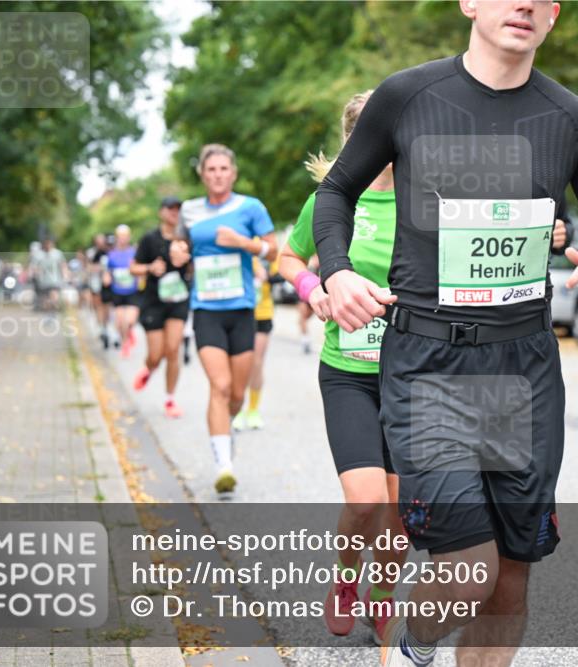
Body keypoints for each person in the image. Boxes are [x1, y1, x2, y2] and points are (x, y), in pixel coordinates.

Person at [312, 2, 578, 665]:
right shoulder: (408, 96)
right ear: (469, 2)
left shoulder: (572, 119)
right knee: (470, 563)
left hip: (524, 365)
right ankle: (412, 642)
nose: (522, 5)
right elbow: (336, 193)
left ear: (553, 14)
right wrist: (337, 272)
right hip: (427, 358)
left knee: (512, 571)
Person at [279, 90, 408, 644]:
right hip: (348, 371)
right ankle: (346, 581)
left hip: (413, 374)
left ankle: (382, 598)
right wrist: (315, 289)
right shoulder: (331, 201)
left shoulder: (430, 199)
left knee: (402, 523)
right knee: (365, 500)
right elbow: (288, 257)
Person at [169, 144, 278, 495]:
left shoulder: (250, 208)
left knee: (235, 394)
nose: (217, 175)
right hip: (206, 311)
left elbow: (274, 250)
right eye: (210, 169)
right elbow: (180, 246)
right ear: (202, 174)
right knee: (218, 385)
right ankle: (223, 465)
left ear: (233, 173)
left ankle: (224, 430)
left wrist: (244, 243)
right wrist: (177, 251)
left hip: (242, 310)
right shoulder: (190, 210)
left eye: (223, 169)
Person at [130, 196, 190, 419]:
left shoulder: (186, 237)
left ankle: (170, 399)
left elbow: (194, 264)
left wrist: (187, 260)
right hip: (153, 302)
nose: (175, 212)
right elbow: (133, 268)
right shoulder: (149, 239)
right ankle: (149, 368)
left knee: (173, 350)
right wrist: (149, 267)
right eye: (170, 208)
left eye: (178, 209)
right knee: (156, 354)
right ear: (161, 212)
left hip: (178, 301)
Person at [232, 252, 276, 431]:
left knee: (256, 363)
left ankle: (253, 409)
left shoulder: (267, 247)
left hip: (262, 313)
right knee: (239, 364)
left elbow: (282, 273)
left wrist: (266, 276)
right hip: (239, 311)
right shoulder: (237, 242)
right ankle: (238, 408)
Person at [104, 225, 140, 357]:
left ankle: (129, 333)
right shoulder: (111, 254)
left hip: (132, 290)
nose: (123, 239)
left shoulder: (134, 252)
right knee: (119, 322)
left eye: (125, 236)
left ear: (129, 237)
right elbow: (108, 271)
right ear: (117, 238)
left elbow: (139, 268)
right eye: (120, 236)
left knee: (130, 320)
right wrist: (106, 277)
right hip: (117, 291)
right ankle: (125, 343)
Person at [87, 234, 113, 349]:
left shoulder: (112, 251)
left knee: (107, 307)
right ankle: (102, 328)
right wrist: (101, 269)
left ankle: (107, 327)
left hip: (109, 285)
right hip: (97, 284)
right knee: (99, 306)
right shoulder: (95, 253)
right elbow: (90, 267)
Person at [34, 237, 67, 312]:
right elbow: (35, 267)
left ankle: (53, 313)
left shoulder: (58, 253)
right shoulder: (39, 255)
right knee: (45, 301)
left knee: (54, 298)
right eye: (46, 244)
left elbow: (63, 265)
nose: (48, 245)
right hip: (43, 281)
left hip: (55, 280)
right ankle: (49, 314)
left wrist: (65, 275)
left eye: (49, 243)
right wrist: (36, 273)